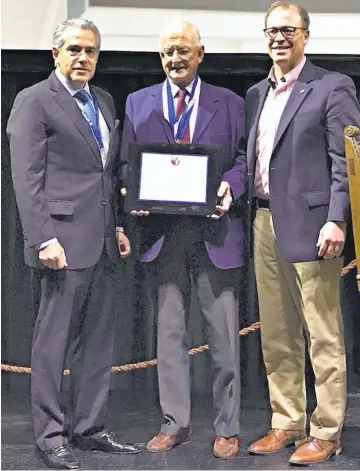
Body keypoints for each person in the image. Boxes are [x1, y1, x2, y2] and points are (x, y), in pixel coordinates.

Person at [7, 18, 141, 470]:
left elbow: (104, 177)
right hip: (59, 244)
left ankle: (89, 428)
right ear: (56, 54)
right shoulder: (34, 101)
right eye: (75, 50)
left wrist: (118, 227)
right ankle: (50, 436)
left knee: (98, 343)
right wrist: (44, 237)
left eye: (91, 51)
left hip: (101, 242)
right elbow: (26, 180)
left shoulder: (102, 100)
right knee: (52, 345)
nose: (83, 58)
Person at [120, 20, 246, 459]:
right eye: (168, 52)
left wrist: (232, 185)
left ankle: (227, 427)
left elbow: (245, 159)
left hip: (216, 233)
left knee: (224, 338)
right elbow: (125, 166)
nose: (175, 58)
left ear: (201, 54)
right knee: (169, 337)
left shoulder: (229, 103)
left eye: (184, 50)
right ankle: (175, 423)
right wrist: (130, 194)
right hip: (162, 236)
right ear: (160, 57)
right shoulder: (138, 103)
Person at [245, 1, 360, 465]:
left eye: (289, 30)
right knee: (277, 333)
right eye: (272, 30)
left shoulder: (333, 87)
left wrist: (337, 218)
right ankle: (286, 421)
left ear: (306, 36)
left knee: (323, 334)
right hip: (263, 222)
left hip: (315, 227)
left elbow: (346, 160)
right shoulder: (256, 93)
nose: (279, 38)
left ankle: (327, 429)